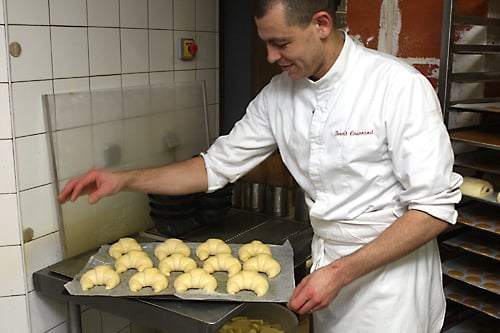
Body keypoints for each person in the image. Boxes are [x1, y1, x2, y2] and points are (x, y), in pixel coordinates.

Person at [58, 0, 462, 332]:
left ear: (321, 24)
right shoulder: (278, 95)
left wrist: (340, 273)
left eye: (280, 43)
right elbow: (211, 168)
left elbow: (432, 211)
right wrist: (124, 179)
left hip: (390, 284)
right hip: (329, 269)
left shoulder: (396, 86)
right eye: (265, 43)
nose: (271, 57)